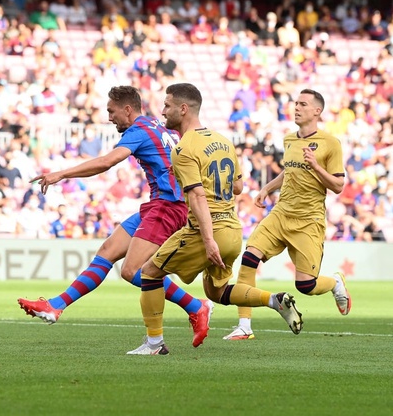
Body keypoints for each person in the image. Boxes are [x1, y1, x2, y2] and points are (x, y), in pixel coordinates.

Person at [18, 85, 214, 348]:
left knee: (133, 270)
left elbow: (107, 162)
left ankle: (193, 308)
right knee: (108, 251)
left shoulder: (139, 130)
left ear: (128, 109)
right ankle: (56, 306)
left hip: (168, 206)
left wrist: (61, 174)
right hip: (159, 204)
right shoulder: (157, 125)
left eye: (112, 112)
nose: (109, 117)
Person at [127, 83, 303, 355]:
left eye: (167, 105)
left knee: (148, 273)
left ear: (183, 109)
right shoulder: (223, 141)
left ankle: (154, 344)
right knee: (216, 292)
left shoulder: (183, 149)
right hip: (232, 230)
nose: (163, 111)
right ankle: (274, 300)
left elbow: (197, 197)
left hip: (205, 231)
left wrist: (207, 240)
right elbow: (237, 187)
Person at [223, 89, 351, 340]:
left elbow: (337, 186)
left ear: (317, 111)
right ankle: (245, 326)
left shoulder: (330, 143)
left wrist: (315, 165)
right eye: (295, 103)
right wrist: (268, 188)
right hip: (281, 213)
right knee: (249, 259)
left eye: (303, 104)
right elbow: (289, 172)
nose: (296, 108)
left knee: (305, 286)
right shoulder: (290, 140)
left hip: (308, 220)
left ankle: (335, 282)